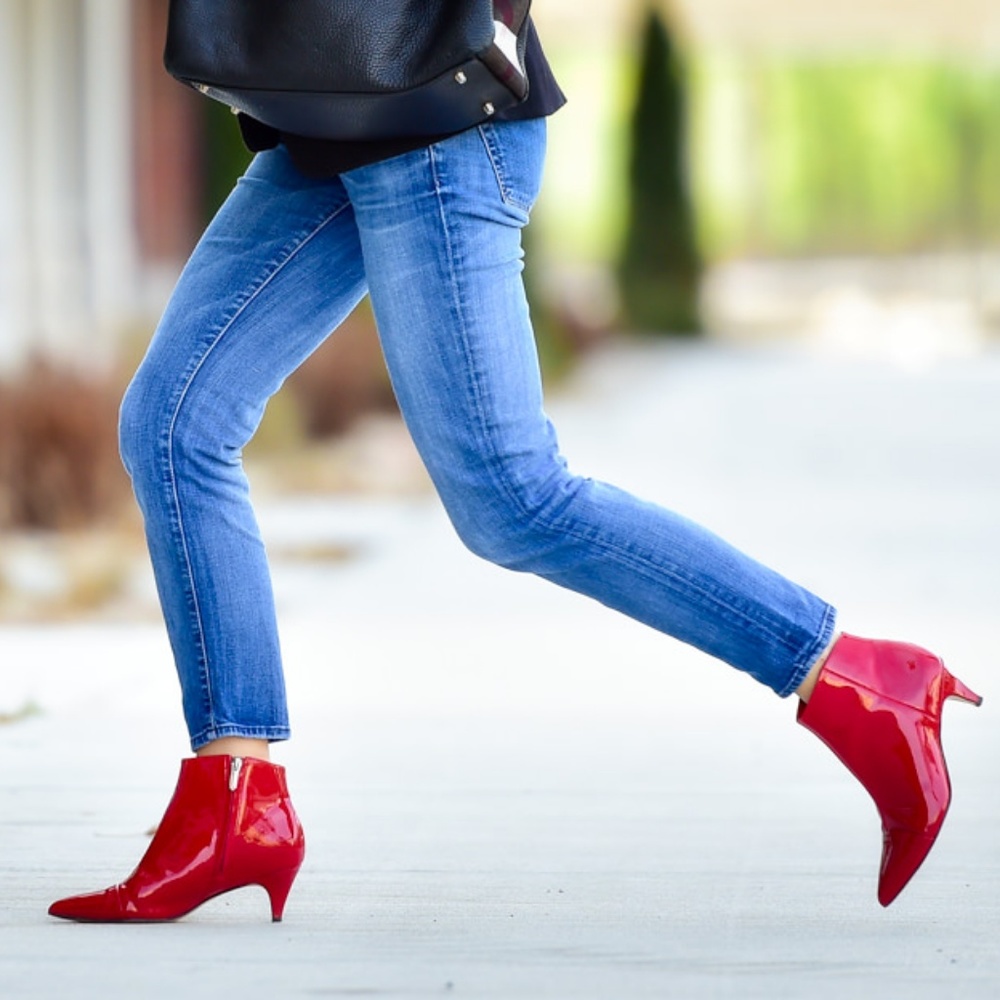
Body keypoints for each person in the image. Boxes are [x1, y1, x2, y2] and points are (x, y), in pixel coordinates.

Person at [48, 16, 980, 923]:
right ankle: (234, 802)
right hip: (327, 118)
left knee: (512, 496)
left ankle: (851, 676)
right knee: (175, 424)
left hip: (434, 122)